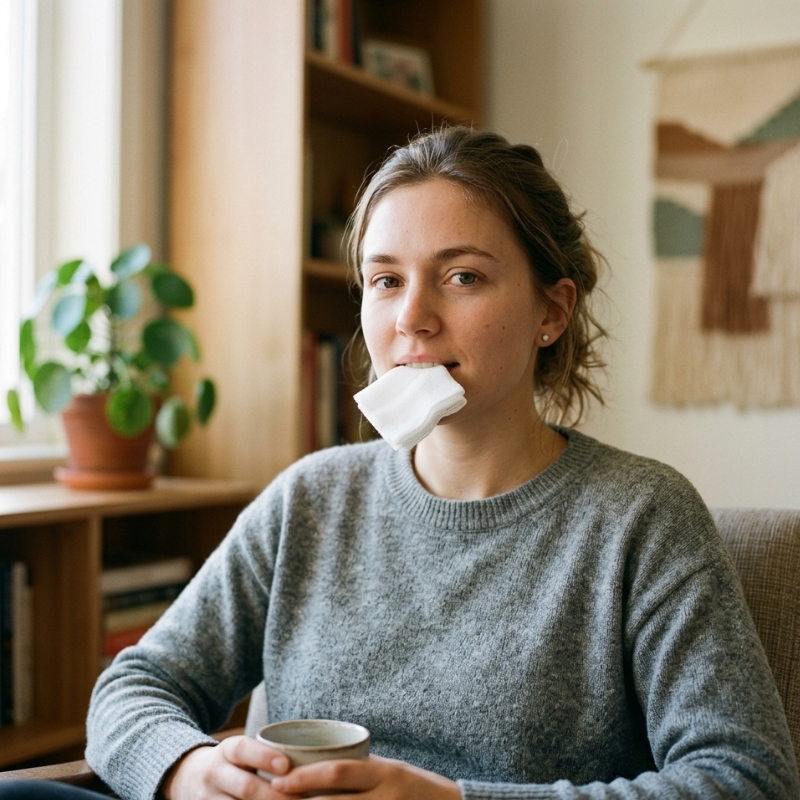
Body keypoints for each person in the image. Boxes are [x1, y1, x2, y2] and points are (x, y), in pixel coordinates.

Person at [25, 126, 800, 799]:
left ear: (551, 313)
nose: (412, 319)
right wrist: (186, 769)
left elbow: (745, 778)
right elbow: (135, 687)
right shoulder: (313, 498)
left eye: (462, 277)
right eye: (386, 279)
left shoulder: (642, 517)